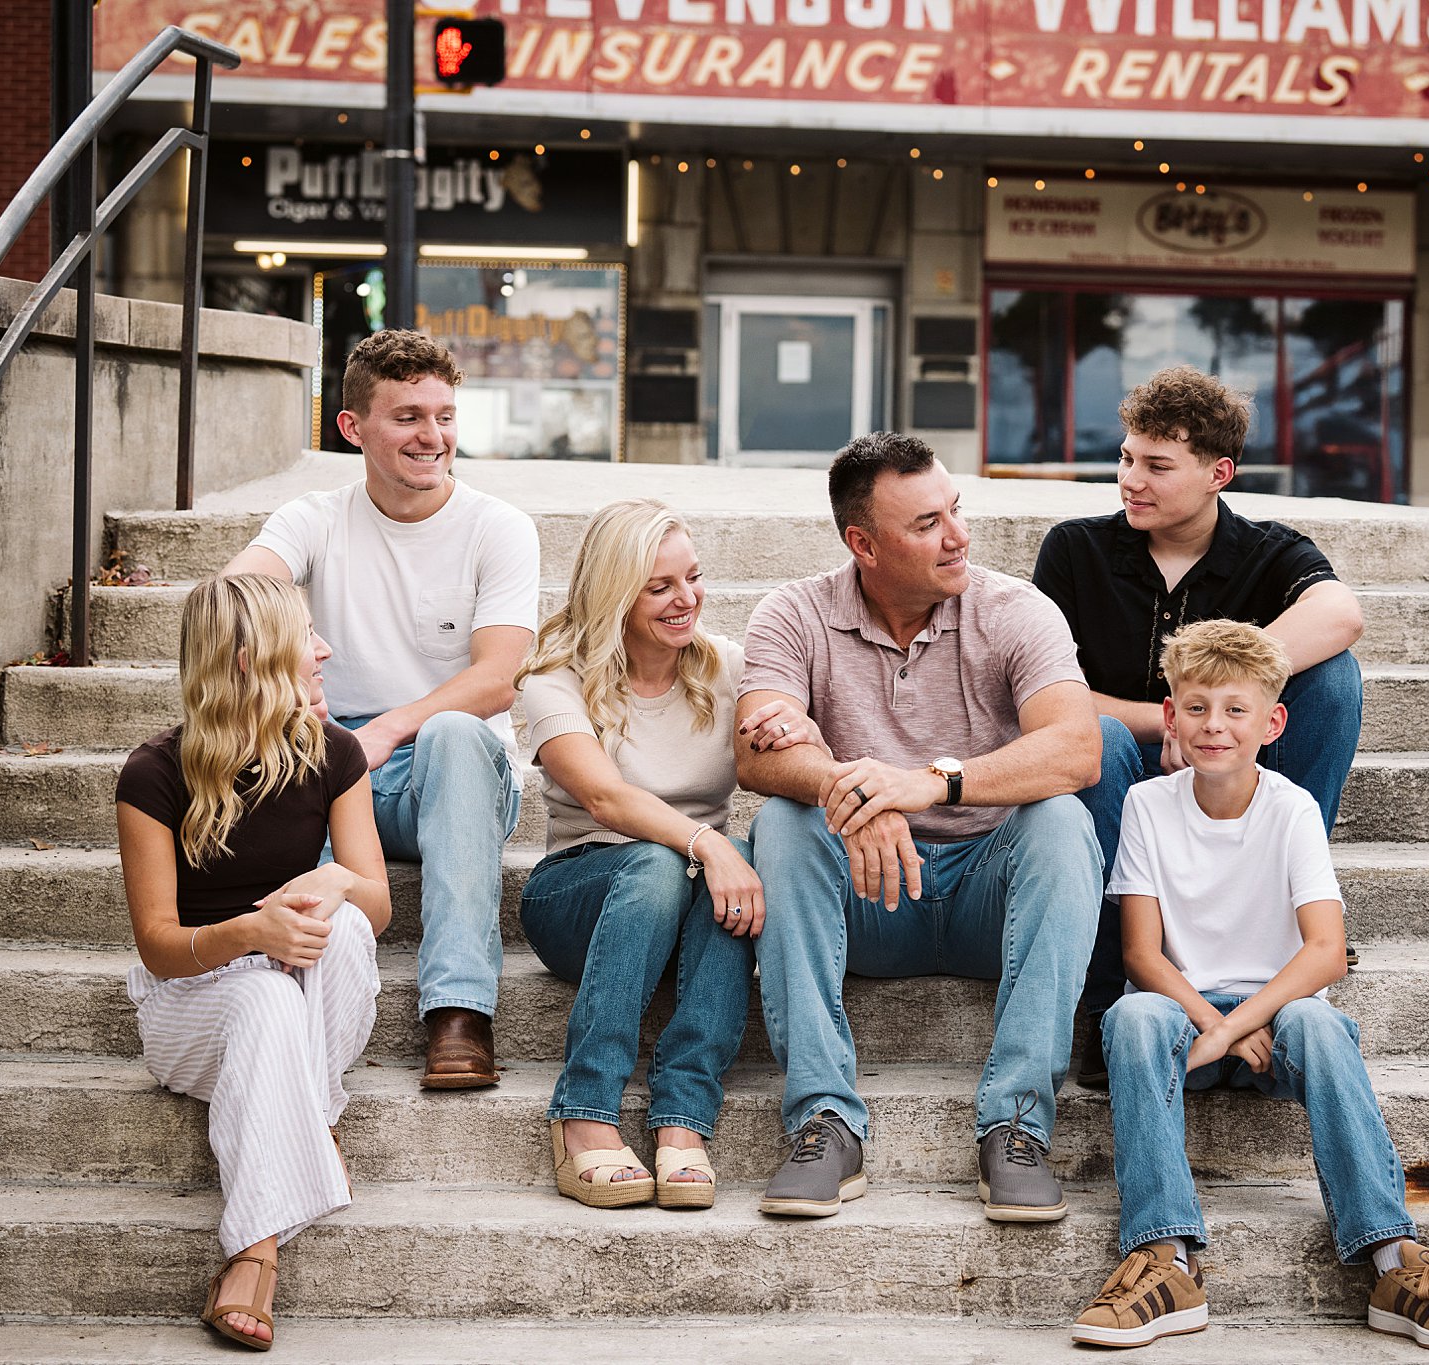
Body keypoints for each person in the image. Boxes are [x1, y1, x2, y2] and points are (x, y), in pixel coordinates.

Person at [1067, 620, 1429, 1351]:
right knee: (1134, 1018)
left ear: (1273, 722)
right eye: (1196, 707)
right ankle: (1165, 1258)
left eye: (1236, 710)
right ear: (1169, 716)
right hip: (1185, 1021)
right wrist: (1212, 1021)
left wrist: (1238, 1026)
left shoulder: (1292, 807)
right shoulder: (1147, 805)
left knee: (1321, 1023)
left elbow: (1326, 953)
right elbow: (1141, 954)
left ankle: (1394, 1260)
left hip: (1274, 1024)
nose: (1214, 726)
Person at [736, 431, 1104, 1223]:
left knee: (1063, 821)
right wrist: (853, 789)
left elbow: (1077, 748)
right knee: (784, 824)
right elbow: (755, 749)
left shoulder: (1014, 609)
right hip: (871, 896)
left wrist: (926, 783)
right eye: (927, 523)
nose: (958, 535)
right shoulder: (793, 614)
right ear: (863, 544)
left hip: (989, 892)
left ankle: (1016, 1126)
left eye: (956, 510)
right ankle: (823, 1121)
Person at [1032, 364, 1367, 1082]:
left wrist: (1220, 711)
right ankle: (1102, 1003)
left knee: (1334, 679)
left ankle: (1292, 941)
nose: (1130, 480)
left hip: (1235, 790)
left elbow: (1342, 615)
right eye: (1125, 458)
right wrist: (1172, 729)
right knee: (1105, 737)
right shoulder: (1076, 549)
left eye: (1157, 465)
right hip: (1123, 796)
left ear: (1219, 472)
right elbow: (1045, 693)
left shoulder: (1268, 551)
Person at [223, 329, 539, 1089]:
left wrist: (389, 728)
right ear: (353, 427)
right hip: (340, 768)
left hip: (451, 773)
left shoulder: (498, 527)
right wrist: (288, 648)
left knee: (460, 732)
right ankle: (292, 1010)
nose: (434, 437)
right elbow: (230, 598)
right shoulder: (316, 517)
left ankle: (459, 1014)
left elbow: (500, 677)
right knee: (289, 737)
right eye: (407, 417)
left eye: (445, 415)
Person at [517, 499, 819, 1209]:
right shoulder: (552, 678)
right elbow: (604, 799)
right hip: (579, 894)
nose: (687, 600)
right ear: (615, 594)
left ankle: (682, 1120)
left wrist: (800, 725)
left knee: (731, 868)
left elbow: (798, 758)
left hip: (692, 899)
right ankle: (585, 1107)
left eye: (693, 577)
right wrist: (709, 842)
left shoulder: (728, 668)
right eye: (660, 587)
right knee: (671, 862)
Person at [116, 574, 392, 1351]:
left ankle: (311, 1110)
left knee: (344, 930)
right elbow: (159, 945)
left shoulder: (333, 754)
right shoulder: (154, 775)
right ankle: (255, 1250)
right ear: (248, 660)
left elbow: (378, 907)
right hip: (190, 1000)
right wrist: (248, 933)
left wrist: (338, 880)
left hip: (294, 980)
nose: (324, 649)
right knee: (264, 999)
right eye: (306, 635)